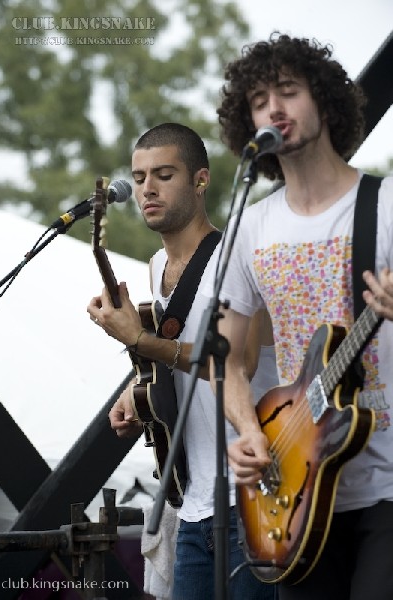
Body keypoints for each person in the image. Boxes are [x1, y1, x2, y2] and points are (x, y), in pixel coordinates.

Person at [210, 32, 393, 600]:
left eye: (288, 91)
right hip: (294, 497)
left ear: (326, 102)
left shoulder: (385, 206)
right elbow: (230, 361)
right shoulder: (252, 228)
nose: (274, 108)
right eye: (260, 99)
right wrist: (246, 431)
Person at [87, 123, 278, 599]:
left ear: (201, 179)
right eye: (139, 176)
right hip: (190, 502)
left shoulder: (238, 254)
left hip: (256, 496)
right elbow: (173, 364)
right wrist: (136, 397)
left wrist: (141, 341)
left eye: (164, 174)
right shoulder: (155, 266)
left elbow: (240, 362)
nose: (146, 188)